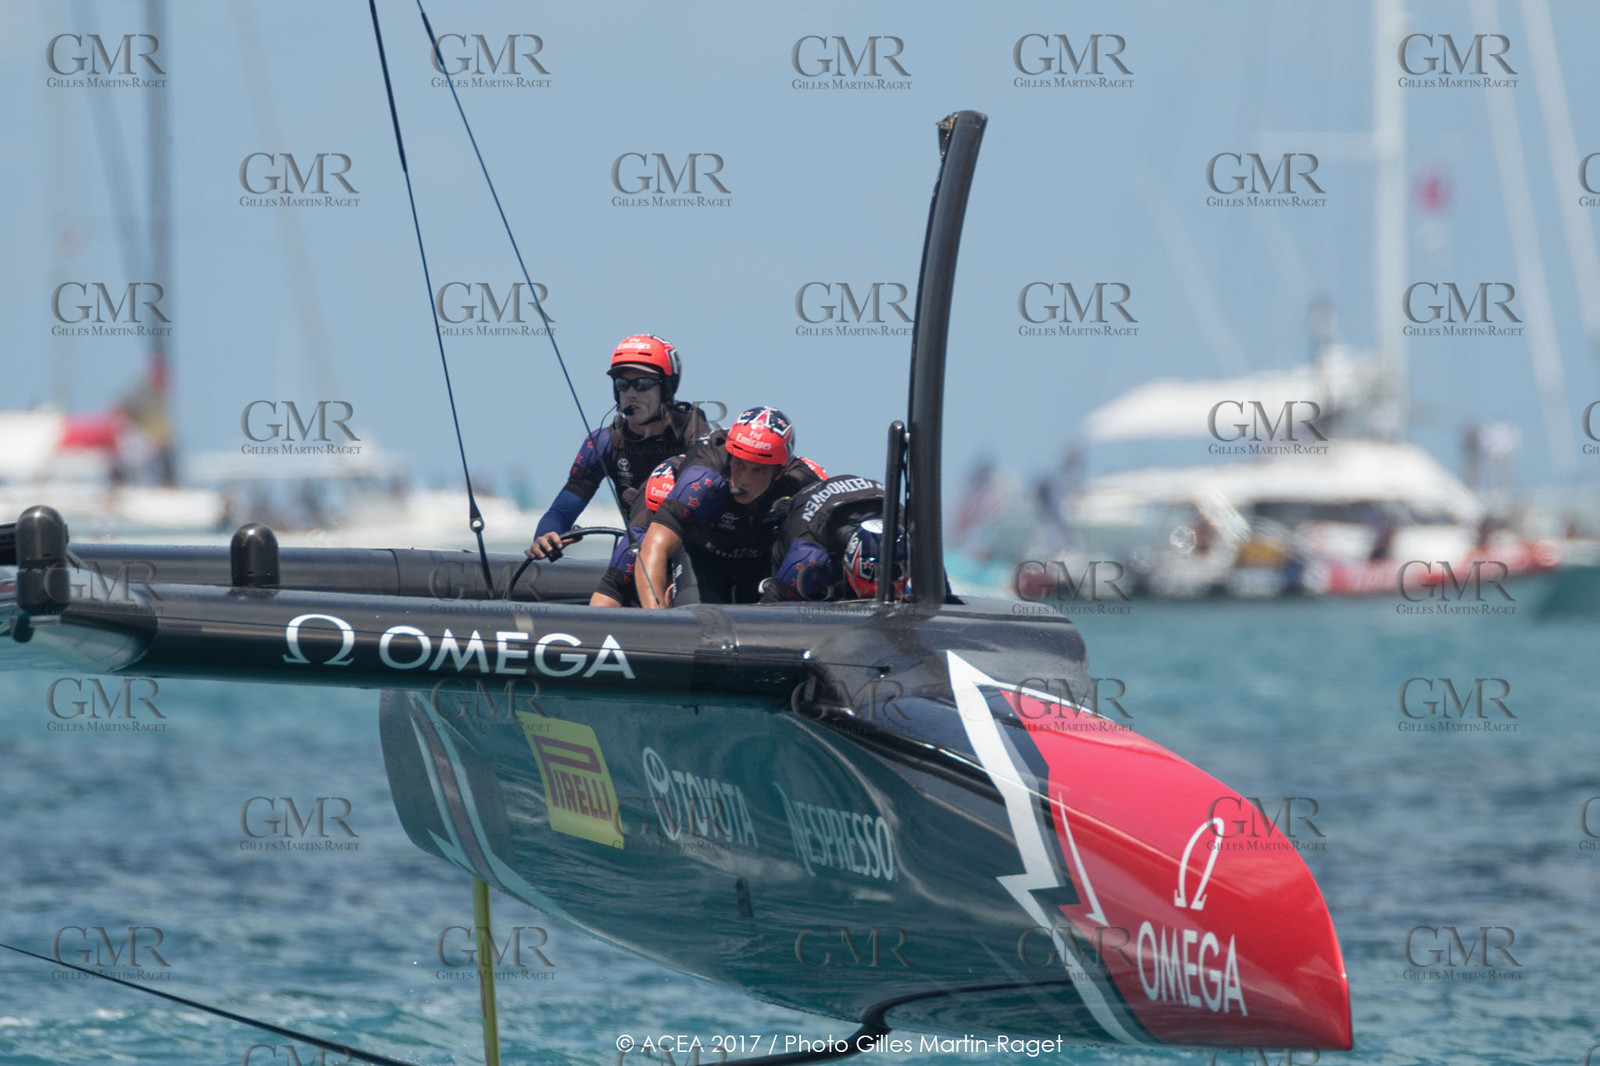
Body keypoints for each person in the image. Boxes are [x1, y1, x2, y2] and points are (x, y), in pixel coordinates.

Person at [526, 334, 709, 560]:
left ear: (667, 388)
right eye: (622, 384)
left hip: (695, 557)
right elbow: (561, 511)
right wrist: (545, 536)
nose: (631, 393)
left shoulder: (696, 436)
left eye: (643, 384)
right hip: (638, 555)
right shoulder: (604, 443)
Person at [635, 407, 823, 607]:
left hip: (761, 561)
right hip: (701, 557)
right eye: (740, 464)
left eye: (758, 470)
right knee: (699, 617)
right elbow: (654, 547)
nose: (744, 480)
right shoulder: (704, 477)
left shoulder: (801, 484)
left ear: (778, 472)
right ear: (729, 457)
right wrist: (657, 615)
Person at [759, 475, 907, 602]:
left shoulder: (909, 528)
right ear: (848, 561)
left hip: (862, 498)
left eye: (895, 574)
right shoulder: (809, 555)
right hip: (802, 514)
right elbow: (769, 605)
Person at [589, 457, 680, 607]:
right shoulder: (642, 527)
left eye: (667, 517)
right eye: (658, 514)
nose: (664, 522)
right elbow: (610, 592)